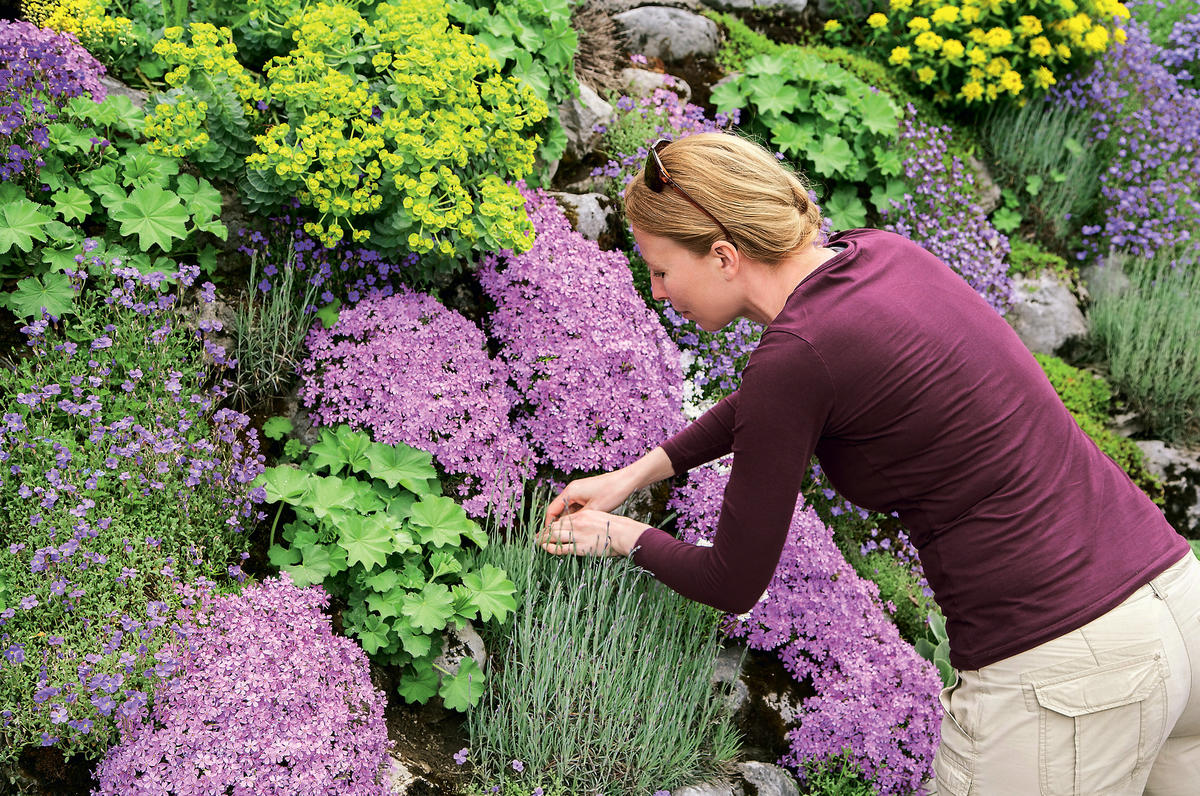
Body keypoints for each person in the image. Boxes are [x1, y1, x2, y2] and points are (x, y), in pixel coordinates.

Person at [537, 132, 1200, 794]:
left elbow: (733, 580)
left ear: (722, 256)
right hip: (1172, 596)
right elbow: (776, 402)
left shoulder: (794, 359)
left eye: (660, 270)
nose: (656, 292)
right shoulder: (882, 256)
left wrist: (617, 536)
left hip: (1064, 663)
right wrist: (638, 474)